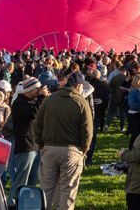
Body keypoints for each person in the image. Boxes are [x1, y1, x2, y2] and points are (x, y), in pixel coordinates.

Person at [34, 71, 94, 210]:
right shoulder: (81, 102)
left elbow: (37, 125)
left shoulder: (49, 100)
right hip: (72, 151)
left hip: (49, 149)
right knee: (68, 190)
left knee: (46, 189)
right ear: (78, 86)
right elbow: (87, 132)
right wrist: (83, 151)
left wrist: (42, 145)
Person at [7, 77, 44, 205]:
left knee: (32, 183)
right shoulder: (19, 103)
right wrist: (41, 98)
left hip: (35, 146)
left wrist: (41, 98)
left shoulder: (31, 101)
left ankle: (27, 205)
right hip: (25, 147)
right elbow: (32, 113)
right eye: (37, 89)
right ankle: (12, 205)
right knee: (21, 182)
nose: (39, 91)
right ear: (29, 90)